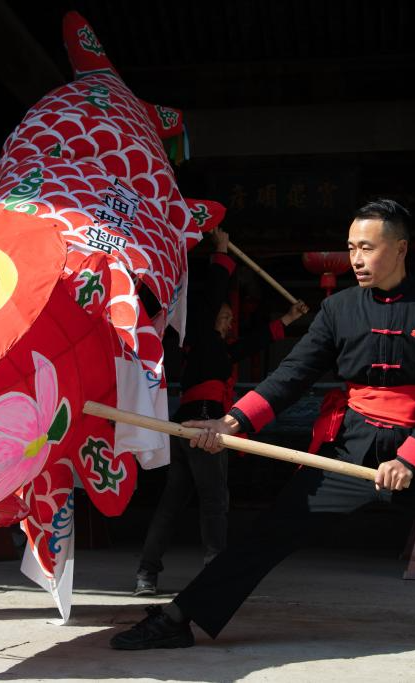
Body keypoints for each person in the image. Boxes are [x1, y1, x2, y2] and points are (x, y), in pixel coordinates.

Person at [111, 199, 415, 668]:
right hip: (350, 450)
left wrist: (409, 461)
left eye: (367, 247)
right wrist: (230, 423)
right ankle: (177, 619)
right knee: (265, 536)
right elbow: (293, 374)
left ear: (401, 248)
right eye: (351, 248)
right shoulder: (339, 309)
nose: (357, 259)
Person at [133, 226, 308, 596]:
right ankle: (214, 573)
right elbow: (213, 296)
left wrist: (290, 318)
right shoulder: (198, 336)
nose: (228, 324)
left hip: (184, 426)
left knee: (173, 502)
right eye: (224, 318)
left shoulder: (216, 351)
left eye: (230, 321)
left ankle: (147, 573)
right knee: (214, 501)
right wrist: (222, 253)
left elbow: (251, 344)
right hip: (203, 424)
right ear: (210, 318)